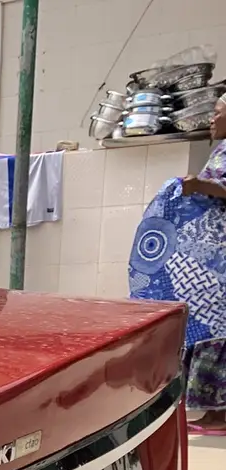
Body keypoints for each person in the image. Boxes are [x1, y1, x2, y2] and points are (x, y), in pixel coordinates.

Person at [129, 93, 226, 431]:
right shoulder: (220, 150)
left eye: (218, 112)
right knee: (209, 323)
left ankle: (220, 413)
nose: (212, 119)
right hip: (213, 253)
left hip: (220, 260)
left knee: (218, 324)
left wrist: (200, 185)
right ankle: (214, 410)